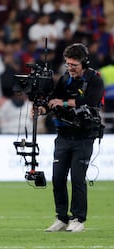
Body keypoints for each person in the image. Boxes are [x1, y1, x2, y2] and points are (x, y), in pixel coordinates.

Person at [40, 43, 104, 233]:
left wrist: (64, 102)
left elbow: (91, 101)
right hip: (63, 135)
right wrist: (43, 108)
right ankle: (61, 217)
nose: (70, 68)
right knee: (58, 178)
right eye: (68, 64)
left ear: (84, 63)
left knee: (77, 178)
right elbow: (53, 99)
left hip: (84, 136)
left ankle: (78, 219)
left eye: (74, 65)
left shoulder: (94, 79)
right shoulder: (65, 78)